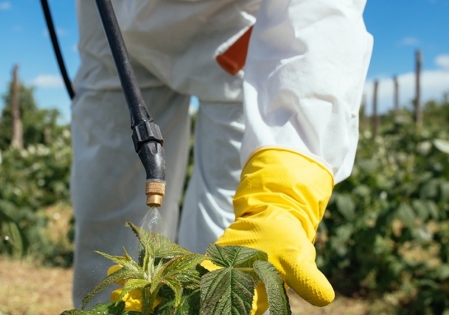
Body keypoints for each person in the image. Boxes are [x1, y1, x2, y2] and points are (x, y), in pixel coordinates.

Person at [69, 0, 373, 314]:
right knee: (107, 222)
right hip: (111, 23)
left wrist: (282, 194)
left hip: (234, 35)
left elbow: (319, 16)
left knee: (226, 236)